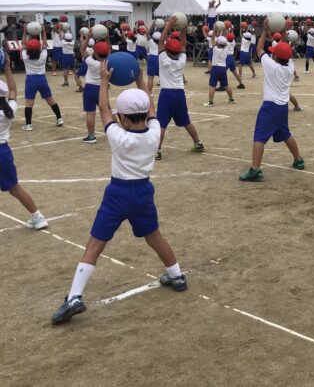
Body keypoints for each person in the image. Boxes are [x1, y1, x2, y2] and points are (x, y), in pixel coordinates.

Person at [51, 69, 188, 325]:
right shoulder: (155, 131)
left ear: (122, 117)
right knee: (154, 236)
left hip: (117, 193)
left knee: (95, 244)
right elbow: (152, 109)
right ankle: (177, 275)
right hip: (143, 192)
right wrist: (138, 78)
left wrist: (104, 79)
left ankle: (74, 297)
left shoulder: (118, 136)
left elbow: (103, 106)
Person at [239, 21, 304, 181]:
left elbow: (259, 49)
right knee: (286, 134)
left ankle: (255, 170)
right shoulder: (289, 66)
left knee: (259, 138)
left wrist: (265, 31)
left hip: (269, 107)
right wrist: (283, 33)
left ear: (275, 56)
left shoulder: (271, 66)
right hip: (282, 107)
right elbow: (283, 49)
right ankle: (298, 160)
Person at [0, 49, 49, 229]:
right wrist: (6, 67)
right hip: (3, 152)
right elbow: (13, 89)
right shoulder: (9, 110)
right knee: (15, 188)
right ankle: (37, 216)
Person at [154, 20, 205, 161]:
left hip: (166, 94)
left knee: (161, 123)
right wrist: (183, 29)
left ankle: (157, 150)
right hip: (179, 93)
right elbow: (183, 44)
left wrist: (168, 25)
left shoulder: (163, 57)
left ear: (167, 49)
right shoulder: (182, 59)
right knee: (186, 121)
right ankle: (198, 143)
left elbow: (161, 41)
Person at [21, 28, 63, 130]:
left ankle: (28, 125)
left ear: (28, 48)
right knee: (50, 100)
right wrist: (44, 30)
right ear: (38, 48)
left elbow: (23, 43)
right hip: (41, 79)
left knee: (29, 103)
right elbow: (44, 43)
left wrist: (25, 31)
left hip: (31, 79)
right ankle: (59, 118)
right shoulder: (43, 55)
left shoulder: (25, 56)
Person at [80, 41, 110, 144]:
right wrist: (106, 38)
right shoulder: (108, 62)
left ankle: (91, 136)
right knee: (107, 111)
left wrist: (88, 37)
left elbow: (82, 50)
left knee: (90, 113)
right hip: (102, 88)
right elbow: (109, 49)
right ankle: (113, 132)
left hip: (90, 88)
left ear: (96, 53)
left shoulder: (91, 62)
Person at [204, 35, 236, 107]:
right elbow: (222, 42)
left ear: (217, 43)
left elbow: (212, 39)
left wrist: (215, 30)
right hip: (223, 69)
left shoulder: (215, 49)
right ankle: (231, 99)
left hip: (215, 68)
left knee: (212, 85)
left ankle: (210, 102)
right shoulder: (226, 49)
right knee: (226, 85)